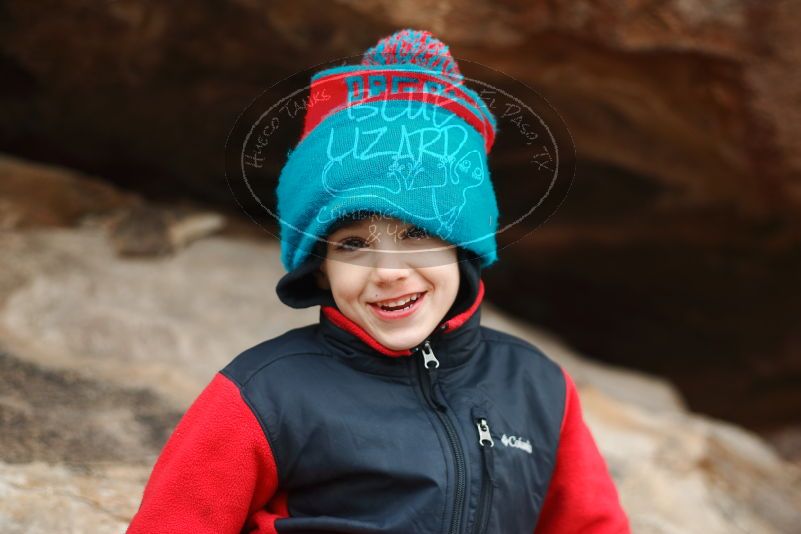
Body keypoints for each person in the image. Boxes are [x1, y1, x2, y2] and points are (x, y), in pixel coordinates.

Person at [127, 29, 630, 533]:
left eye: (417, 234)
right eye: (353, 244)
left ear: (462, 245)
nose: (388, 271)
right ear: (319, 265)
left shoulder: (537, 386)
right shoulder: (266, 393)